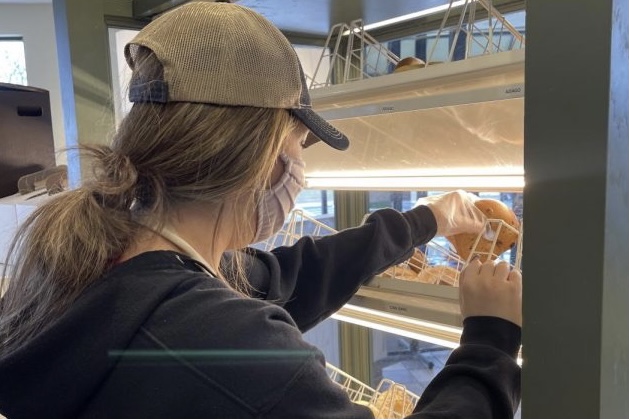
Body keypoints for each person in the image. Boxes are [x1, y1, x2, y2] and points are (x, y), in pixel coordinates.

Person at [0, 3, 521, 419]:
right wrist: (491, 341)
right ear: (264, 161)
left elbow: (290, 276)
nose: (301, 171)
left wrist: (431, 216)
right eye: (299, 145)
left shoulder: (96, 255)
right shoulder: (235, 352)